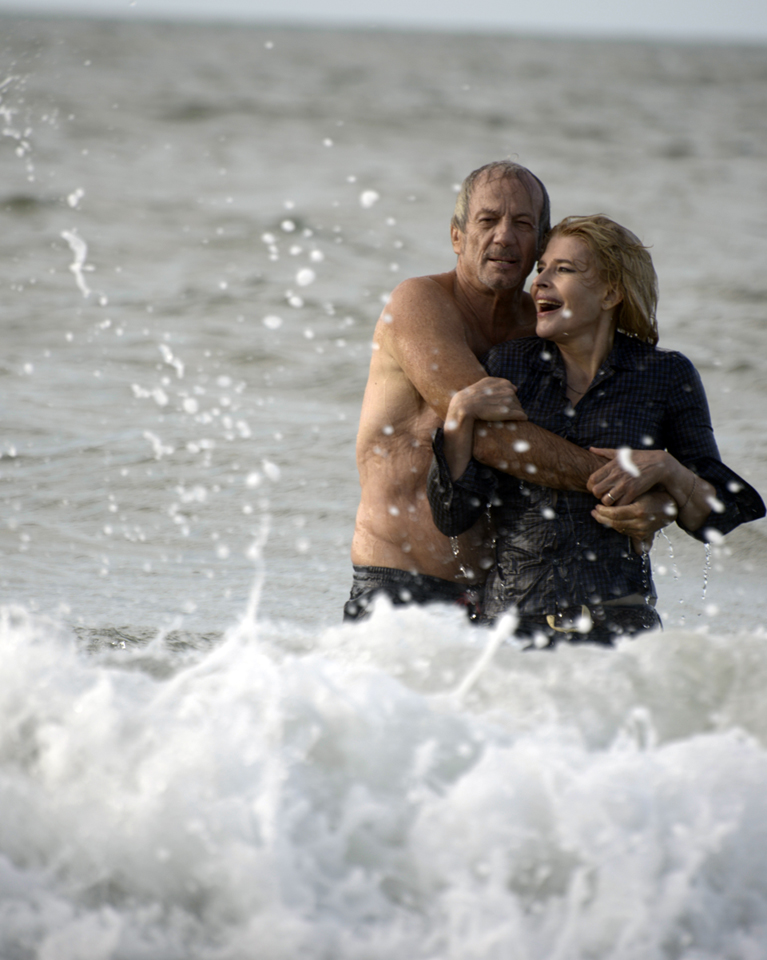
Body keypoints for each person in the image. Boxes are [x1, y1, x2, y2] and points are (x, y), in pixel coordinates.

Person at [345, 162, 674, 621]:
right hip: (402, 590)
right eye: (487, 220)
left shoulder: (542, 328)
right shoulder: (419, 303)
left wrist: (667, 493)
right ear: (457, 236)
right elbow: (494, 438)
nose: (504, 236)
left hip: (506, 601)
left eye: (522, 224)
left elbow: (603, 418)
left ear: (540, 244)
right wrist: (623, 485)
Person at [428, 214, 765, 644]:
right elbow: (453, 515)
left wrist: (667, 470)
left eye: (563, 269)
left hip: (621, 629)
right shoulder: (508, 365)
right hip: (511, 628)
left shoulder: (666, 375)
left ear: (611, 292)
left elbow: (719, 518)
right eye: (541, 269)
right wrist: (457, 418)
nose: (540, 282)